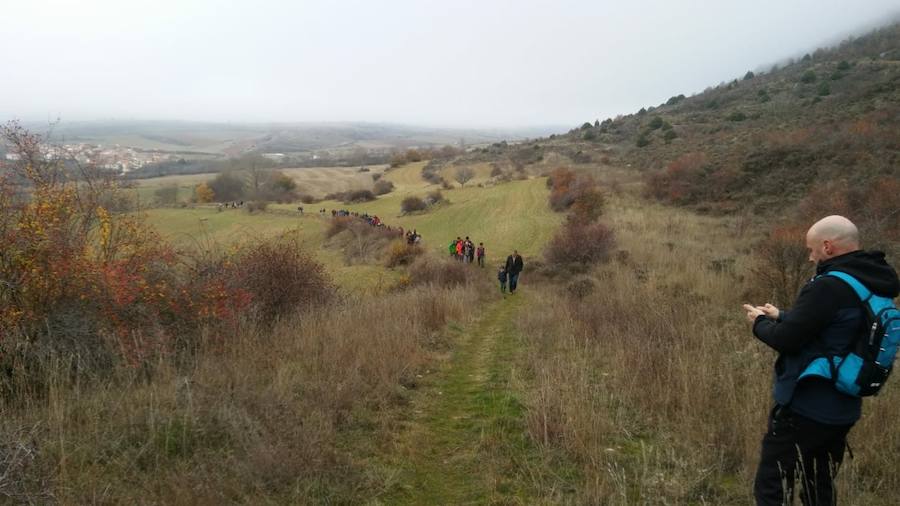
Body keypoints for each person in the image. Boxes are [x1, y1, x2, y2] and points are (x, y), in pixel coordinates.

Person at [742, 215, 899, 506]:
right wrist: (783, 316)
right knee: (819, 485)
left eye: (811, 249)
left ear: (827, 247)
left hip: (806, 407)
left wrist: (759, 323)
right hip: (843, 408)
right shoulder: (872, 280)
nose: (810, 255)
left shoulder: (828, 285)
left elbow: (787, 340)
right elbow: (839, 329)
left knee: (772, 487)